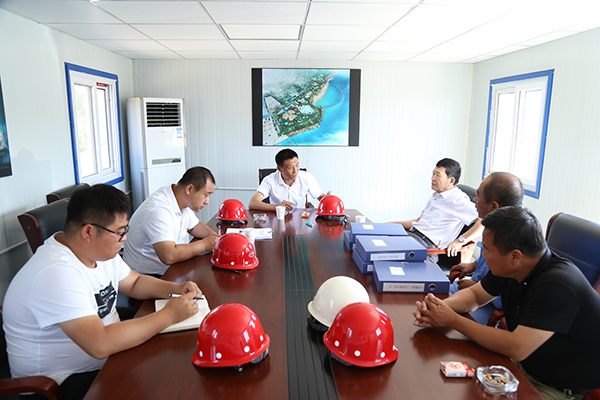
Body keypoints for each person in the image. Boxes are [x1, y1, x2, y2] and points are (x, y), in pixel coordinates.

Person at [3, 184, 203, 400]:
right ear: (88, 231)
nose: (124, 239)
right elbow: (99, 344)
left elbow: (134, 282)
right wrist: (169, 315)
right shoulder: (56, 273)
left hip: (108, 358)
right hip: (62, 383)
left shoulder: (98, 251)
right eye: (119, 232)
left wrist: (175, 288)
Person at [413, 206, 600, 399]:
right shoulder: (512, 267)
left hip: (559, 386)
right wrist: (441, 307)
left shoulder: (558, 284)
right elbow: (475, 296)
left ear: (515, 256)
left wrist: (452, 320)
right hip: (527, 364)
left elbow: (517, 347)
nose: (482, 255)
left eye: (487, 250)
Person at [448, 172, 524, 324]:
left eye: (478, 196)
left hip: (488, 306)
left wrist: (478, 287)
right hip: (474, 290)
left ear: (494, 206)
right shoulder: (493, 227)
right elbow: (486, 256)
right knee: (431, 296)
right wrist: (473, 265)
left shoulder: (513, 240)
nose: (474, 200)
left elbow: (508, 294)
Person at [124, 166, 219, 276]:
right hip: (145, 276)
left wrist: (216, 238)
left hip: (170, 269)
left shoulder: (181, 199)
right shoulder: (158, 209)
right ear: (189, 189)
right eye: (206, 195)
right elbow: (169, 256)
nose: (207, 202)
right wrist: (205, 244)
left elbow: (195, 226)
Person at [391, 158, 479, 262]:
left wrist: (460, 241)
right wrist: (392, 224)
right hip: (411, 238)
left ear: (451, 181)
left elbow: (484, 221)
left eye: (438, 175)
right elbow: (419, 221)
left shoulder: (457, 199)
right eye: (433, 174)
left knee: (382, 257)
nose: (432, 178)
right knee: (378, 246)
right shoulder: (437, 195)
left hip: (425, 248)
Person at [248, 148, 328, 211]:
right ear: (279, 169)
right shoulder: (269, 180)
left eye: (297, 165)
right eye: (290, 168)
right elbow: (253, 203)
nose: (295, 170)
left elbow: (321, 197)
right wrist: (277, 207)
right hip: (277, 218)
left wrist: (328, 199)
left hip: (300, 218)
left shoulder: (307, 177)